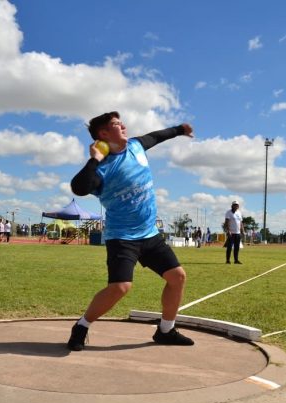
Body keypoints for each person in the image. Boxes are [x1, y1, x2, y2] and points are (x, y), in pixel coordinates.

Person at [67, 111, 195, 351]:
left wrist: (180, 129)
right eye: (116, 124)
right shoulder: (101, 169)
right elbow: (79, 187)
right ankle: (81, 326)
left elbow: (156, 136)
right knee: (120, 287)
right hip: (122, 237)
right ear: (103, 134)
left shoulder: (136, 146)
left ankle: (166, 330)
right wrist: (94, 159)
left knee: (177, 277)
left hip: (150, 234)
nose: (123, 125)